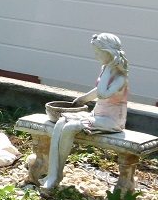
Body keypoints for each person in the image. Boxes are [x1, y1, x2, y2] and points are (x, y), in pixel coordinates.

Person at [41, 33, 129, 190]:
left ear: (108, 53)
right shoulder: (105, 71)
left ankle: (56, 176)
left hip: (112, 121)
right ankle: (54, 174)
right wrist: (82, 99)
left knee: (70, 127)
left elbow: (103, 93)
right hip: (98, 117)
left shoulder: (119, 78)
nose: (96, 56)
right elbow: (97, 91)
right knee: (61, 121)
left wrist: (109, 68)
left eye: (97, 52)